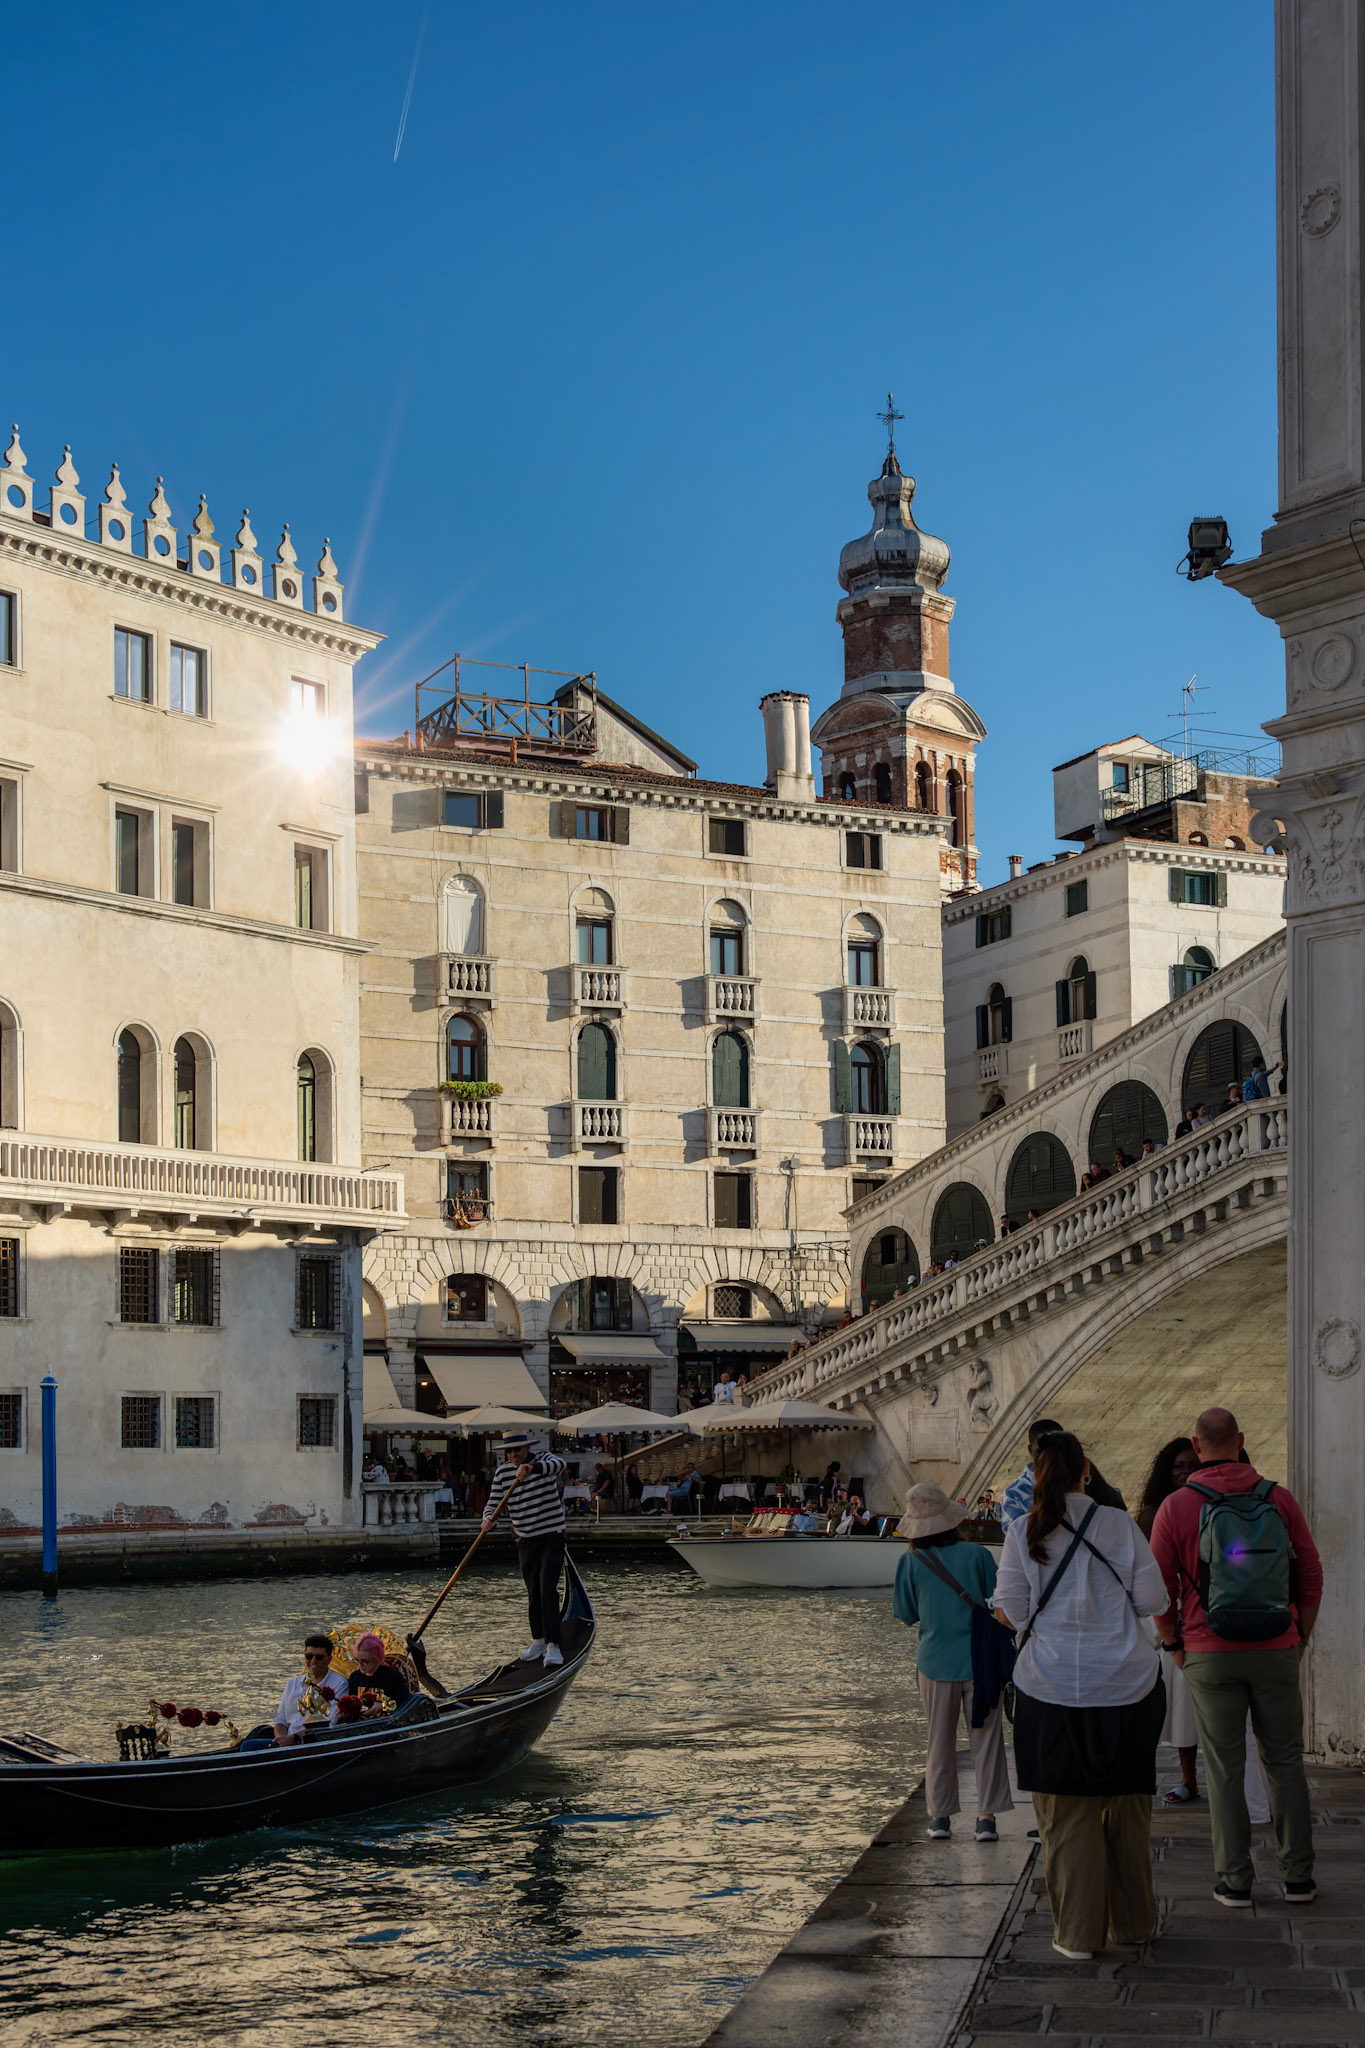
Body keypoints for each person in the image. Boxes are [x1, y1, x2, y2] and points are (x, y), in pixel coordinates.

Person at [994, 1429, 1167, 1960]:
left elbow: (1013, 1613)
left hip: (1050, 1692)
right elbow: (1152, 1601)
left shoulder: (1023, 1530)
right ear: (1085, 1469)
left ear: (1039, 1473)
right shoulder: (1119, 1525)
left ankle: (1078, 1935)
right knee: (1127, 1812)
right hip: (1128, 1687)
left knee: (1066, 1818)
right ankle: (1134, 1926)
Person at [1150, 1406, 1322, 1907]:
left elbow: (1160, 1588)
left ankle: (1236, 1881)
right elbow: (1310, 1573)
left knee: (1224, 1767)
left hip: (1209, 1650)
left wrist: (1174, 1643)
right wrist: (1300, 1637)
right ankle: (1298, 1878)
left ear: (1197, 1447)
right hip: (1277, 1646)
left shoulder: (1176, 1507)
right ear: (1241, 1440)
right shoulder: (1280, 1500)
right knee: (1286, 1761)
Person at [893, 1483, 1013, 1844]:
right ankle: (986, 1819)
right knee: (987, 1740)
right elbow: (999, 1606)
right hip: (981, 1663)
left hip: (934, 1663)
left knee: (939, 1742)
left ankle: (941, 1818)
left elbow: (905, 1614)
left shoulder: (910, 1562)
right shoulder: (977, 1555)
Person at [1137, 1436, 1201, 1804]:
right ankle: (1176, 1778)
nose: (1185, 1472)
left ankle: (1190, 1779)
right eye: (1178, 1467)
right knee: (1169, 1703)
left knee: (1185, 1703)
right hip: (1160, 1620)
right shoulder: (1152, 1513)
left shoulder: (1204, 1505)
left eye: (1191, 1465)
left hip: (1193, 1615)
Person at [482, 1428, 569, 1669]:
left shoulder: (544, 1460)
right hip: (525, 1539)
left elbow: (560, 1464)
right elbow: (493, 1503)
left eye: (516, 1450)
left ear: (527, 1448)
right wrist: (488, 1519)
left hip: (551, 1535)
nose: (513, 1455)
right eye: (509, 1452)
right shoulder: (502, 1474)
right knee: (533, 1592)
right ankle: (539, 1640)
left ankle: (554, 1645)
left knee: (546, 1588)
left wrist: (532, 1470)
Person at [273, 1633, 351, 1745]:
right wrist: (281, 1740)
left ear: (329, 1659)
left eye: (319, 1657)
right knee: (249, 1745)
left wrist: (294, 1739)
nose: (313, 1661)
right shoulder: (292, 1683)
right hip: (286, 1741)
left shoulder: (339, 1684)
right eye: (309, 1656)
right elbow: (281, 1719)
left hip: (314, 1743)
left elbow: (330, 1723)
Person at [1000, 1417, 1063, 1527]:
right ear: (1030, 1450)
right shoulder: (1014, 1495)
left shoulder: (1077, 1483)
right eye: (1041, 1451)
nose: (1048, 1456)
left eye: (1054, 1449)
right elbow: (1017, 1537)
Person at [345, 1632, 411, 1717]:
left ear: (377, 1658)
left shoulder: (393, 1677)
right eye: (357, 1660)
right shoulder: (355, 1677)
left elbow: (404, 1706)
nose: (359, 1665)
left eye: (365, 1661)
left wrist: (382, 1706)